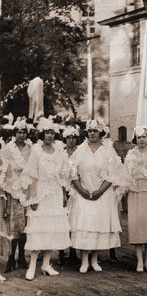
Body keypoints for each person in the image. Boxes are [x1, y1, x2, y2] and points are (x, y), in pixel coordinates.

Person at [69, 119, 126, 274]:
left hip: (102, 193)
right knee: (85, 226)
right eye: (90, 131)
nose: (92, 133)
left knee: (97, 225)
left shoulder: (108, 150)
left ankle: (94, 260)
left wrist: (100, 191)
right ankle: (84, 260)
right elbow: (72, 171)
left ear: (101, 132)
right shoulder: (80, 150)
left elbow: (112, 174)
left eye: (95, 131)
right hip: (84, 193)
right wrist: (81, 190)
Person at [22, 118, 72, 281]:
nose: (49, 136)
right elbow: (32, 176)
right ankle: (32, 265)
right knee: (39, 228)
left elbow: (63, 176)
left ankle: (46, 264)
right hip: (41, 193)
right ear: (42, 134)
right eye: (47, 133)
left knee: (52, 228)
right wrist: (33, 197)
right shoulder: (36, 151)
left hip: (56, 193)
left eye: (52, 133)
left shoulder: (59, 152)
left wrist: (64, 195)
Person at [124, 126, 147, 273]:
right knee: (137, 225)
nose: (141, 140)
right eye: (139, 137)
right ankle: (139, 261)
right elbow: (126, 175)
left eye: (144, 137)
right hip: (135, 191)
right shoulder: (130, 154)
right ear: (135, 139)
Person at [0, 118, 32, 273]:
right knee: (13, 225)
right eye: (18, 132)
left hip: (26, 190)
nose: (21, 135)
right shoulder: (7, 149)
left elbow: (33, 170)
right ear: (14, 133)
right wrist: (10, 188)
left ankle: (22, 257)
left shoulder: (31, 149)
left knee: (24, 225)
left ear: (27, 133)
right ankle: (11, 258)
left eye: (23, 132)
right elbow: (4, 171)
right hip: (12, 191)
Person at [58, 125, 81, 265]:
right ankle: (61, 252)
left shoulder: (80, 152)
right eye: (68, 138)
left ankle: (73, 252)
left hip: (77, 189)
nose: (71, 140)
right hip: (62, 189)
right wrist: (62, 192)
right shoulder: (61, 153)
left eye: (73, 138)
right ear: (65, 139)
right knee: (62, 220)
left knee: (74, 220)